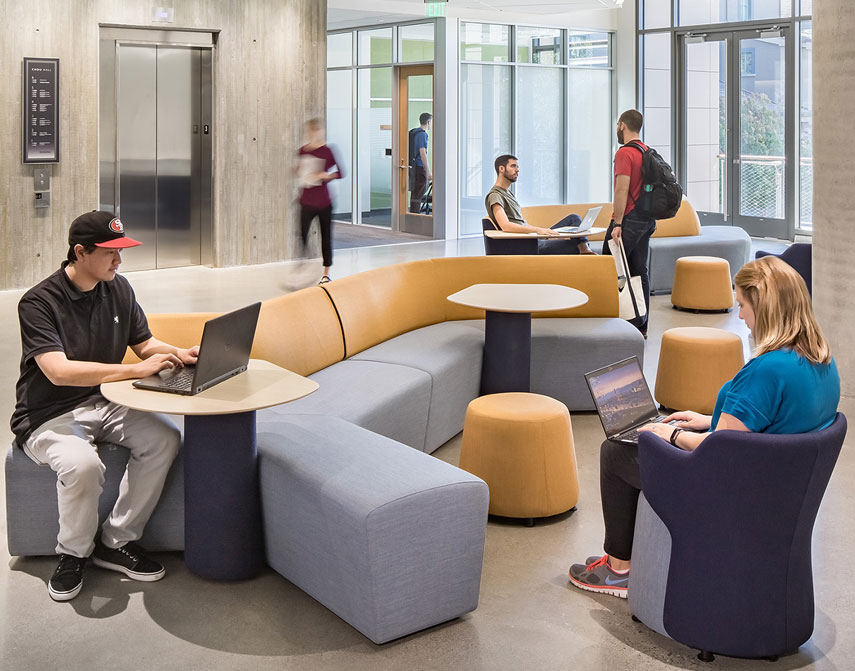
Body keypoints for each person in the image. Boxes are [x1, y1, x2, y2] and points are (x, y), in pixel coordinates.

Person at [567, 256, 840, 598]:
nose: (739, 315)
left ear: (765, 307)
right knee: (645, 439)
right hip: (776, 490)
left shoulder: (766, 371)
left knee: (616, 453)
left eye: (742, 305)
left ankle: (618, 569)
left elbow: (722, 452)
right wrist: (710, 421)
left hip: (729, 495)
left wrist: (675, 435)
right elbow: (768, 428)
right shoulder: (821, 361)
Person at [11, 211, 201, 602]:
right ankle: (72, 553)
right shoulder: (38, 302)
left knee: (164, 439)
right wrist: (133, 369)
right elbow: (58, 371)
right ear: (80, 253)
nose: (119, 260)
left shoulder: (118, 287)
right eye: (110, 252)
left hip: (106, 401)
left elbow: (144, 343)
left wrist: (180, 352)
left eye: (121, 251)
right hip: (49, 413)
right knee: (82, 465)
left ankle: (116, 540)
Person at [602, 110, 657, 338]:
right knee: (638, 270)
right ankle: (640, 325)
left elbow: (621, 189)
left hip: (630, 220)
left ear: (622, 125)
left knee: (606, 266)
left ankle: (608, 322)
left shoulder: (624, 153)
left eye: (618, 124)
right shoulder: (646, 151)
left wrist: (618, 222)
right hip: (647, 219)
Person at [485, 155, 595, 255]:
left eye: (517, 166)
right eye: (513, 166)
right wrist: (538, 231)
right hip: (527, 244)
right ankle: (584, 250)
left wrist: (543, 233)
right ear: (501, 169)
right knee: (573, 244)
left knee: (573, 218)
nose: (517, 170)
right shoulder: (495, 195)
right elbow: (505, 225)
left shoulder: (508, 192)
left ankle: (585, 249)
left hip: (533, 237)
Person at [297, 118, 343, 284]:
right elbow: (300, 171)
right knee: (302, 234)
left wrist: (326, 176)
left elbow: (341, 172)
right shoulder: (302, 151)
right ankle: (304, 265)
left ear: (321, 132)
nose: (315, 133)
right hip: (306, 200)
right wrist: (299, 171)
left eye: (317, 130)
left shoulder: (328, 151)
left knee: (326, 237)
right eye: (312, 131)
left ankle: (326, 272)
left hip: (324, 202)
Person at [409, 112, 433, 214]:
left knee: (415, 193)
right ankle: (415, 217)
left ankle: (412, 215)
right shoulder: (422, 135)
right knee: (418, 194)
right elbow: (423, 154)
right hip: (419, 167)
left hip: (412, 167)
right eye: (431, 122)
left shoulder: (413, 132)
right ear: (428, 122)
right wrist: (428, 171)